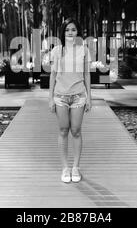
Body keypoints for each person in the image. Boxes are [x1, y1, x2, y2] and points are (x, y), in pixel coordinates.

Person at [48, 18, 92, 183]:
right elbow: (53, 74)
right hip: (60, 96)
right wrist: (50, 98)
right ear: (63, 32)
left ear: (78, 32)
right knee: (63, 131)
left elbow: (87, 74)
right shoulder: (57, 51)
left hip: (79, 95)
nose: (70, 32)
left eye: (73, 29)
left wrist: (89, 97)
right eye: (67, 30)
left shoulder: (84, 50)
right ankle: (65, 168)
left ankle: (75, 167)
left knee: (76, 131)